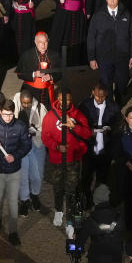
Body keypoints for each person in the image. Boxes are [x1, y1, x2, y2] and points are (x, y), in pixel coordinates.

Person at [0, 100, 32, 246]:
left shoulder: (20, 126)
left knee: (12, 202)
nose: (8, 118)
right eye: (5, 114)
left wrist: (15, 156)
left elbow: (26, 145)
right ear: (0, 112)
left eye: (10, 114)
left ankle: (13, 232)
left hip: (14, 170)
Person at [41, 87, 92, 227]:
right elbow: (45, 137)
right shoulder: (50, 116)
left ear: (71, 99)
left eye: (68, 99)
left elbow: (87, 134)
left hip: (73, 159)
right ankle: (58, 210)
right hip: (57, 160)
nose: (65, 102)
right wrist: (57, 147)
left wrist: (74, 127)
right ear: (58, 99)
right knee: (58, 187)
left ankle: (70, 219)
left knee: (72, 189)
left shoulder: (77, 114)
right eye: (63, 99)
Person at [86, 0, 132, 104]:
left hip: (122, 57)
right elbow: (91, 37)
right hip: (104, 57)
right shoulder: (98, 16)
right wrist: (92, 58)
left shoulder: (126, 14)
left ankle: (120, 99)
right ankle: (109, 106)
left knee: (122, 82)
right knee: (106, 84)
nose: (112, 2)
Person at [78, 82, 121, 198]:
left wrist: (110, 129)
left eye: (103, 96)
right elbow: (78, 124)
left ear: (106, 94)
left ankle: (101, 201)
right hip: (89, 148)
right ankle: (87, 200)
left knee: (103, 178)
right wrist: (88, 131)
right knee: (86, 176)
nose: (100, 99)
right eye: (97, 96)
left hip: (105, 148)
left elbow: (118, 124)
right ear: (93, 93)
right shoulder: (85, 106)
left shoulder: (113, 107)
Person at [12, 89, 48, 216]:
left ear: (32, 100)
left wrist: (36, 131)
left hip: (36, 144)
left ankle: (35, 195)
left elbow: (46, 127)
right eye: (23, 103)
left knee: (37, 173)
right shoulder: (14, 105)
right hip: (21, 145)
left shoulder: (40, 108)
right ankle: (24, 200)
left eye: (28, 103)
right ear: (20, 100)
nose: (26, 105)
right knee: (23, 174)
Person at [77, 184, 125, 263]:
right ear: (108, 198)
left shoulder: (90, 220)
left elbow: (80, 241)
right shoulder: (119, 216)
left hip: (96, 258)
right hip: (115, 258)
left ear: (95, 200)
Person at [16, 31, 61, 110]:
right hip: (31, 90)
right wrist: (34, 74)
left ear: (48, 41)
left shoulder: (54, 54)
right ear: (35, 42)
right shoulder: (26, 55)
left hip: (47, 91)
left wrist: (51, 76)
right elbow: (19, 74)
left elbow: (60, 72)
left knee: (47, 111)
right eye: (40, 42)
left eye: (45, 42)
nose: (43, 45)